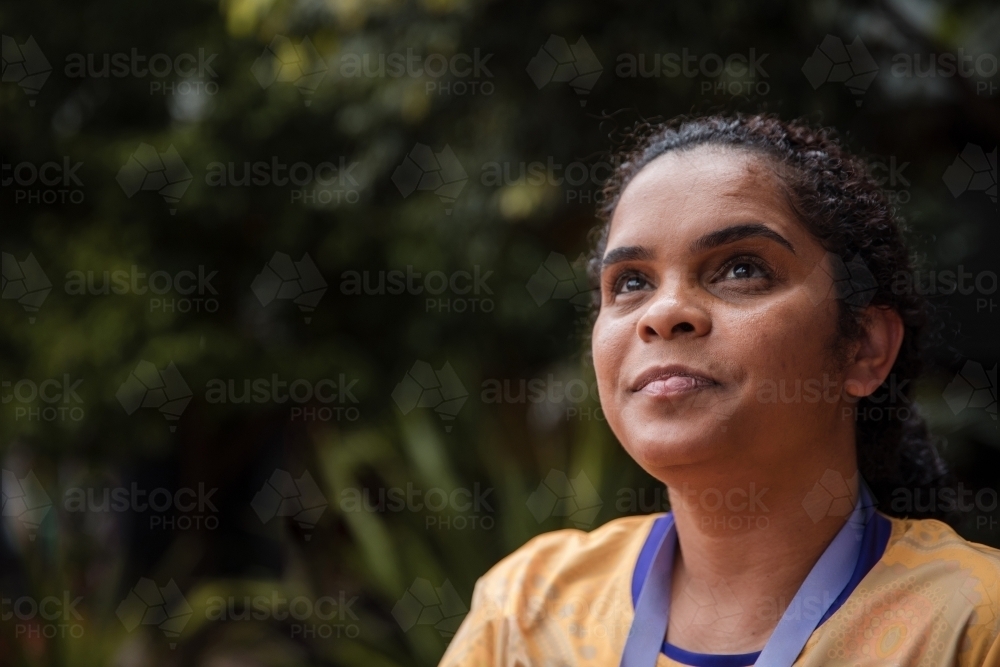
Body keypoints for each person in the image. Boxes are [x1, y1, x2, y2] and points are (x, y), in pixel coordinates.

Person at [438, 114, 1000, 666]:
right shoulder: (527, 616)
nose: (663, 313)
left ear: (864, 348)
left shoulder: (972, 623)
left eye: (741, 269)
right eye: (631, 282)